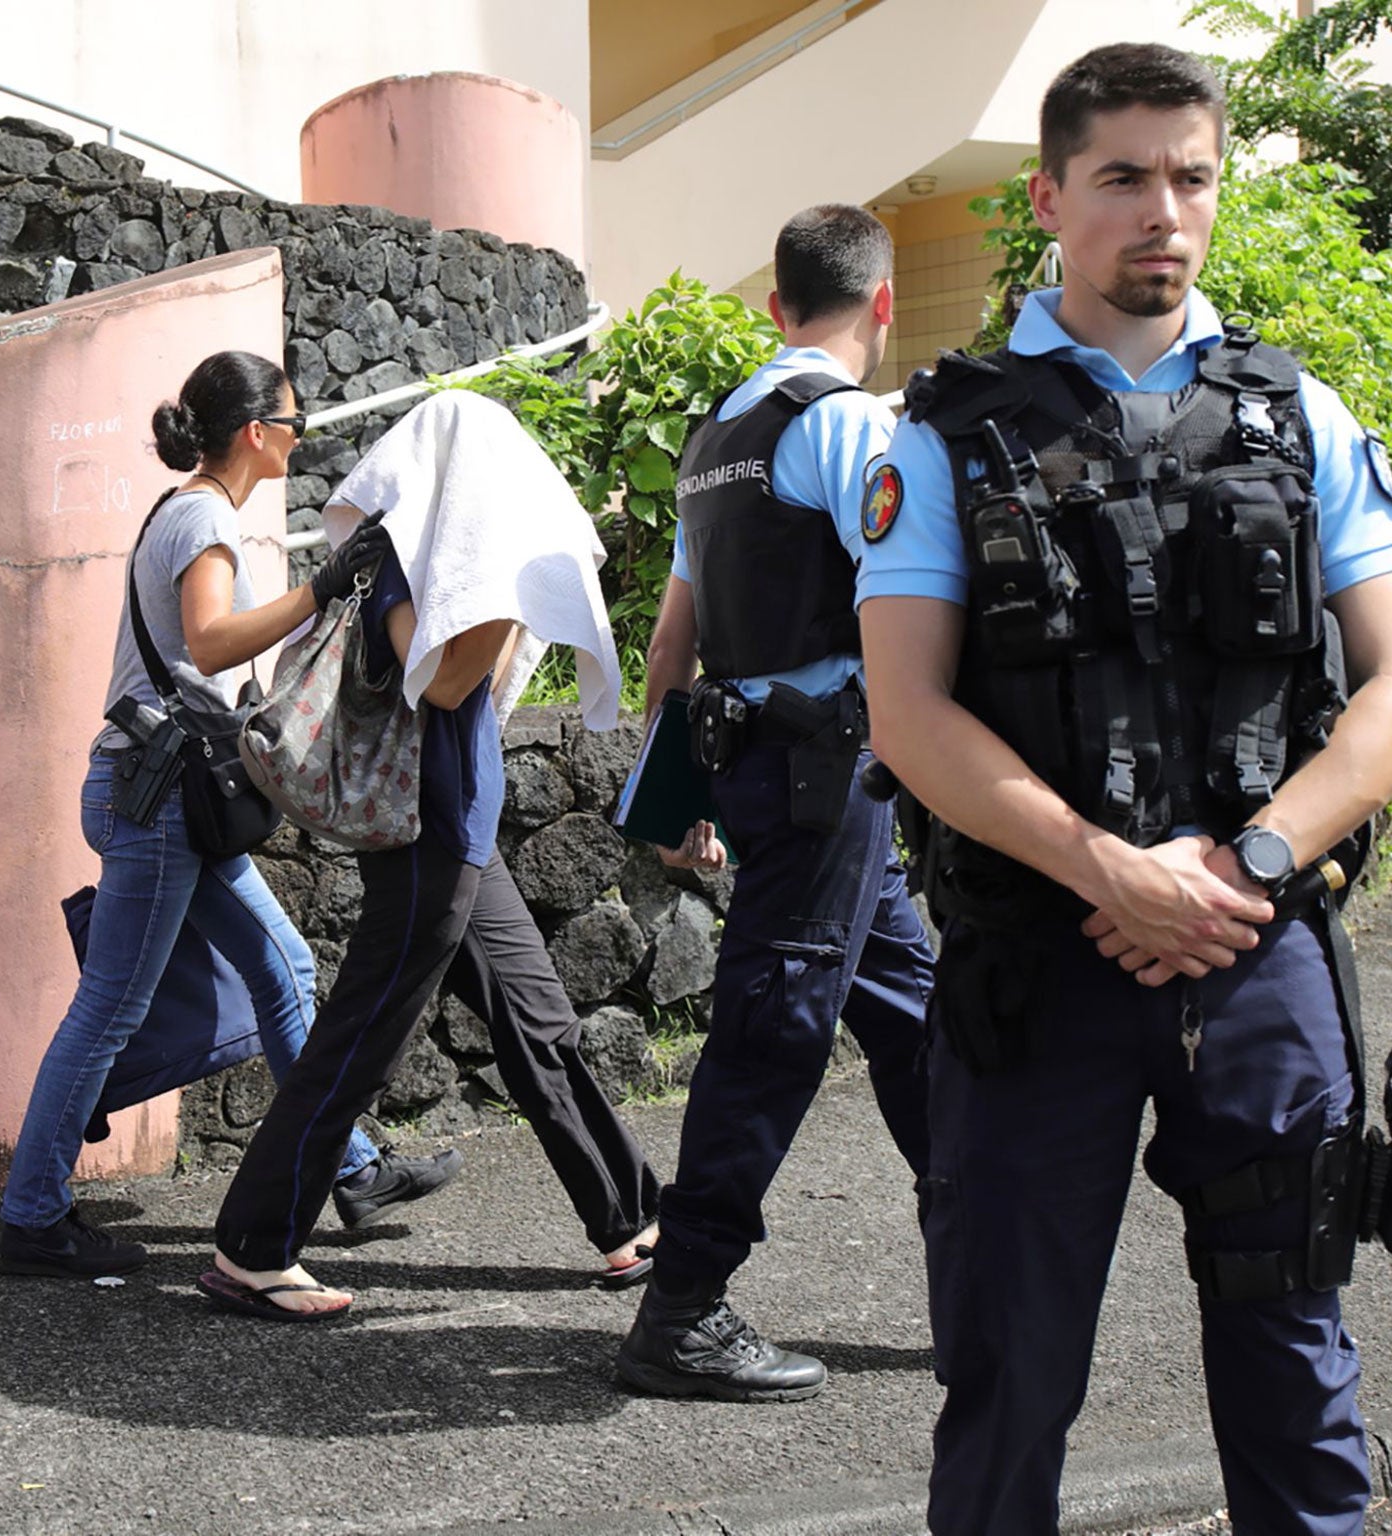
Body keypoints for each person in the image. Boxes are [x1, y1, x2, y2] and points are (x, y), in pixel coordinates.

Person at [858, 44, 1392, 1534]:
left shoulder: (1306, 418)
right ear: (1050, 196)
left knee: (1298, 1369)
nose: (1164, 211)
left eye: (1192, 176)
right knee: (1011, 1378)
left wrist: (1251, 867)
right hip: (1042, 968)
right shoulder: (947, 435)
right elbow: (907, 711)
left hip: (1260, 952)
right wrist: (1114, 871)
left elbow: (1388, 689)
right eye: (1123, 178)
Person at [0, 350, 460, 1279]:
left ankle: (355, 1171)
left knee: (283, 966)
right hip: (163, 796)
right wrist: (324, 588)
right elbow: (209, 642)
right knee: (111, 1009)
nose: (299, 436)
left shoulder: (191, 512)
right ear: (257, 432)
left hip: (170, 795)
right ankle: (33, 1215)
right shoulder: (204, 515)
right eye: (292, 422)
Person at [202, 390, 664, 1322]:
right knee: (362, 1035)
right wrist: (499, 598)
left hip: (460, 834)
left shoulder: (430, 563)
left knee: (539, 1022)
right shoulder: (405, 564)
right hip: (426, 838)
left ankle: (632, 1219)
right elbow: (444, 681)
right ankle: (253, 1248)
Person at [612, 206, 935, 1401]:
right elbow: (912, 593)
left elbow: (667, 648)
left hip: (757, 768)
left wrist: (683, 790)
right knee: (773, 1029)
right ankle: (682, 1308)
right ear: (883, 303)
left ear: (774, 306)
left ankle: (990, 1270)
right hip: (828, 771)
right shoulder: (847, 421)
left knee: (912, 1018)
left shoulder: (716, 438)